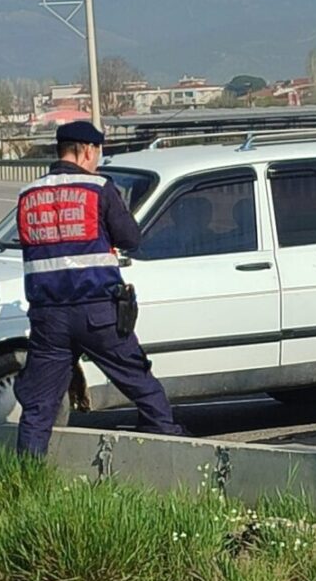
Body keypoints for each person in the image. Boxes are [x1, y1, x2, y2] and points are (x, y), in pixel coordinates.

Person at [13, 120, 188, 457]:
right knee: (139, 382)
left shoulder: (28, 194)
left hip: (48, 317)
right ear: (87, 150)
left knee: (38, 405)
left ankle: (27, 472)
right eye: (97, 153)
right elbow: (130, 239)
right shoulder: (98, 188)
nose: (97, 160)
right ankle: (171, 449)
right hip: (97, 312)